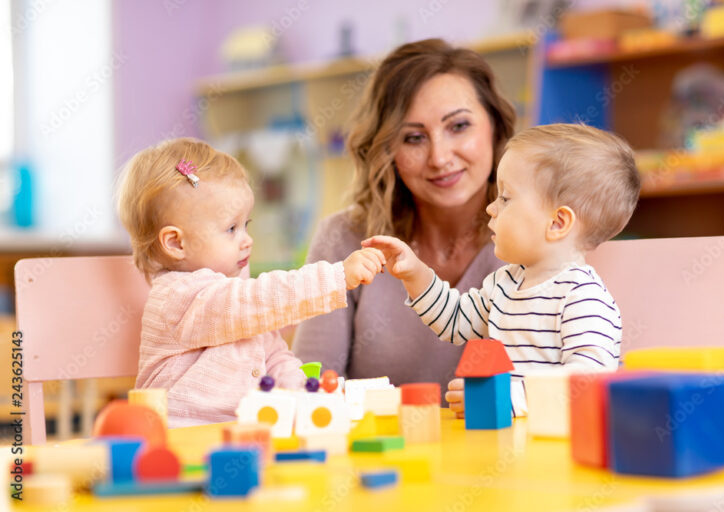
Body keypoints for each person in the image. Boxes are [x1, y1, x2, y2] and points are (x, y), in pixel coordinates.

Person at [364, 123, 641, 416]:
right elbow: (455, 320)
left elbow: (587, 383)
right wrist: (416, 274)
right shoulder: (505, 283)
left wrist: (504, 398)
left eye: (505, 198)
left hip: (555, 451)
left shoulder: (582, 298)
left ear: (558, 223)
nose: (491, 208)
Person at [292, 39, 516, 399]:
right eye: (414, 137)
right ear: (387, 150)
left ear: (495, 126)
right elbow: (308, 388)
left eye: (459, 126)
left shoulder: (540, 240)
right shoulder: (343, 239)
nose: (440, 157)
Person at [115, 137, 385, 427]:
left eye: (247, 225)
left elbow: (275, 355)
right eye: (231, 228)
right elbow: (259, 300)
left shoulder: (238, 296)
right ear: (175, 243)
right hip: (180, 436)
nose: (247, 240)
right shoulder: (179, 297)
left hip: (243, 432)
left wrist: (304, 392)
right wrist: (336, 277)